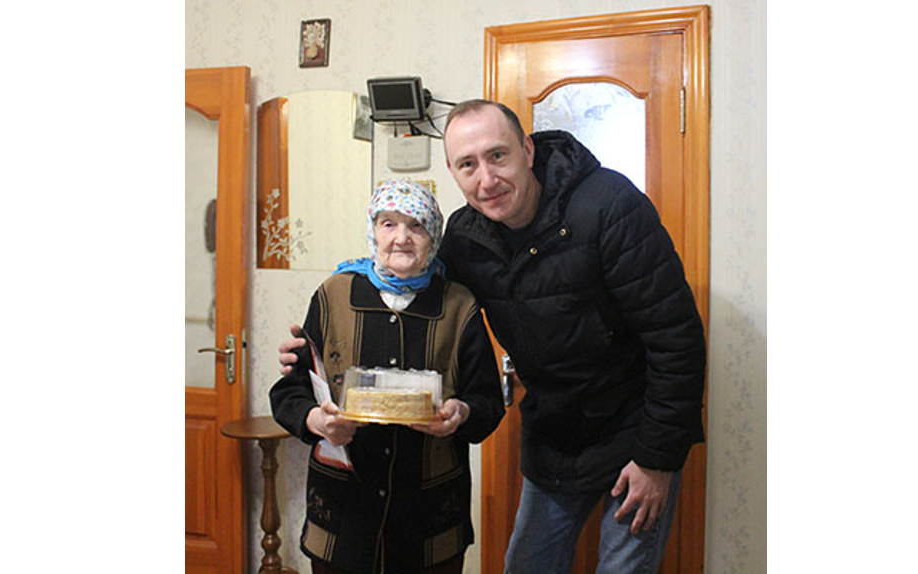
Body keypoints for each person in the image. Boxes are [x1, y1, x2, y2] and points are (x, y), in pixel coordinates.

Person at [280, 100, 706, 573]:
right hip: (555, 435)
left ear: (527, 149)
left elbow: (677, 339)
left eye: (497, 156)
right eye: (468, 165)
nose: (487, 180)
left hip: (636, 432)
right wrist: (313, 350)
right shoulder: (465, 238)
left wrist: (656, 460)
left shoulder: (611, 206)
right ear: (452, 172)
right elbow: (413, 289)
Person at [270, 179, 505, 574]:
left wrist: (461, 413)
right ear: (373, 231)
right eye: (389, 224)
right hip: (343, 517)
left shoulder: (459, 305)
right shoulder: (333, 295)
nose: (401, 238)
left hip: (428, 520)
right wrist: (317, 422)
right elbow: (290, 393)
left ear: (434, 236)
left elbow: (488, 403)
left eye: (416, 225)